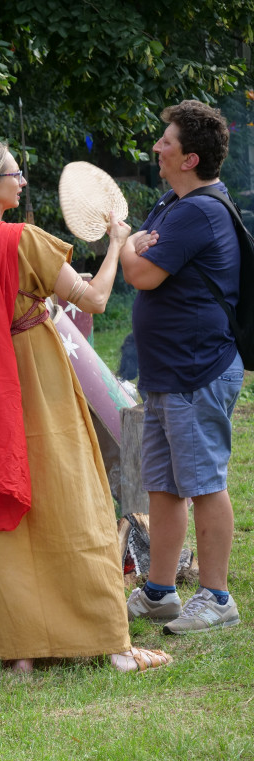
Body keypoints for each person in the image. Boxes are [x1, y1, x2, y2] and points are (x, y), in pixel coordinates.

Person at [0, 139, 172, 673]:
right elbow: (92, 299)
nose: (22, 181)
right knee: (74, 498)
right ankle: (111, 646)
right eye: (15, 174)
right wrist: (116, 244)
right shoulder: (26, 241)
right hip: (36, 377)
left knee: (2, 508)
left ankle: (19, 652)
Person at [121, 100, 243, 634]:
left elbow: (142, 273)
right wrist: (134, 246)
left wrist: (126, 247)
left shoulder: (198, 211)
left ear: (190, 157)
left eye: (166, 141)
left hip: (198, 371)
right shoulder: (173, 202)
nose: (157, 147)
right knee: (165, 487)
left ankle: (216, 598)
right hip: (170, 372)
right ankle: (160, 592)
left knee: (204, 483)